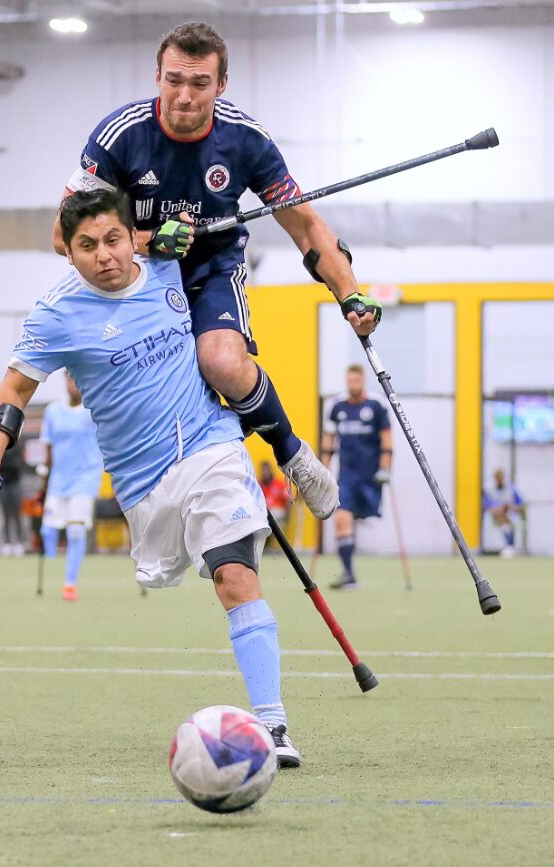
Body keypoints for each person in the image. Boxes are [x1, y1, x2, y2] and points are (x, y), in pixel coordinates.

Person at [0, 188, 301, 767]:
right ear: (68, 253)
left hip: (210, 444)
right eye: (87, 246)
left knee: (234, 574)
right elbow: (11, 393)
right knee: (186, 570)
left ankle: (272, 726)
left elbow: (226, 254)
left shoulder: (170, 264)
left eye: (113, 240)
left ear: (132, 237)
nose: (104, 256)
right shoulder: (57, 312)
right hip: (143, 483)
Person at [52, 21, 385, 521]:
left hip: (211, 267)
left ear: (221, 85)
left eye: (200, 83)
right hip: (135, 279)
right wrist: (144, 240)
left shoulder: (245, 140)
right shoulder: (118, 136)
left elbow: (307, 226)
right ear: (157, 76)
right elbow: (62, 235)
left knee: (223, 363)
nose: (184, 96)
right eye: (173, 80)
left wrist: (350, 297)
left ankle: (293, 455)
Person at [320, 364, 393, 589]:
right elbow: (328, 441)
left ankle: (351, 570)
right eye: (349, 381)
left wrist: (385, 469)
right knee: (342, 518)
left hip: (371, 475)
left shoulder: (377, 405)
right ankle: (348, 574)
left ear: (363, 381)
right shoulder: (336, 406)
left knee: (363, 516)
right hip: (348, 475)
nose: (353, 385)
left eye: (356, 381)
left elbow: (387, 439)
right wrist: (322, 472)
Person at [39, 374, 104, 600]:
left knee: (76, 530)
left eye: (77, 380)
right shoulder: (53, 411)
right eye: (69, 380)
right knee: (47, 530)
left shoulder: (93, 411)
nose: (72, 385)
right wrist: (44, 480)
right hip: (58, 481)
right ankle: (53, 576)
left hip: (85, 480)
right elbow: (47, 447)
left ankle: (69, 582)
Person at [483, 468, 525, 558]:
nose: (499, 479)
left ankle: (509, 546)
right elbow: (488, 507)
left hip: (511, 515)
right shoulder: (490, 492)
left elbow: (521, 507)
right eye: (497, 478)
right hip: (496, 516)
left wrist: (510, 507)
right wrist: (499, 510)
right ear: (494, 479)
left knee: (505, 518)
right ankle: (509, 545)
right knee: (500, 516)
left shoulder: (511, 490)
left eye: (501, 477)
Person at [0, 440, 25, 556]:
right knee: (5, 514)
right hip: (3, 483)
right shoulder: (0, 445)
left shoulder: (17, 444)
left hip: (15, 482)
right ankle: (7, 542)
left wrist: (7, 465)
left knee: (17, 513)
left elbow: (19, 463)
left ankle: (18, 542)